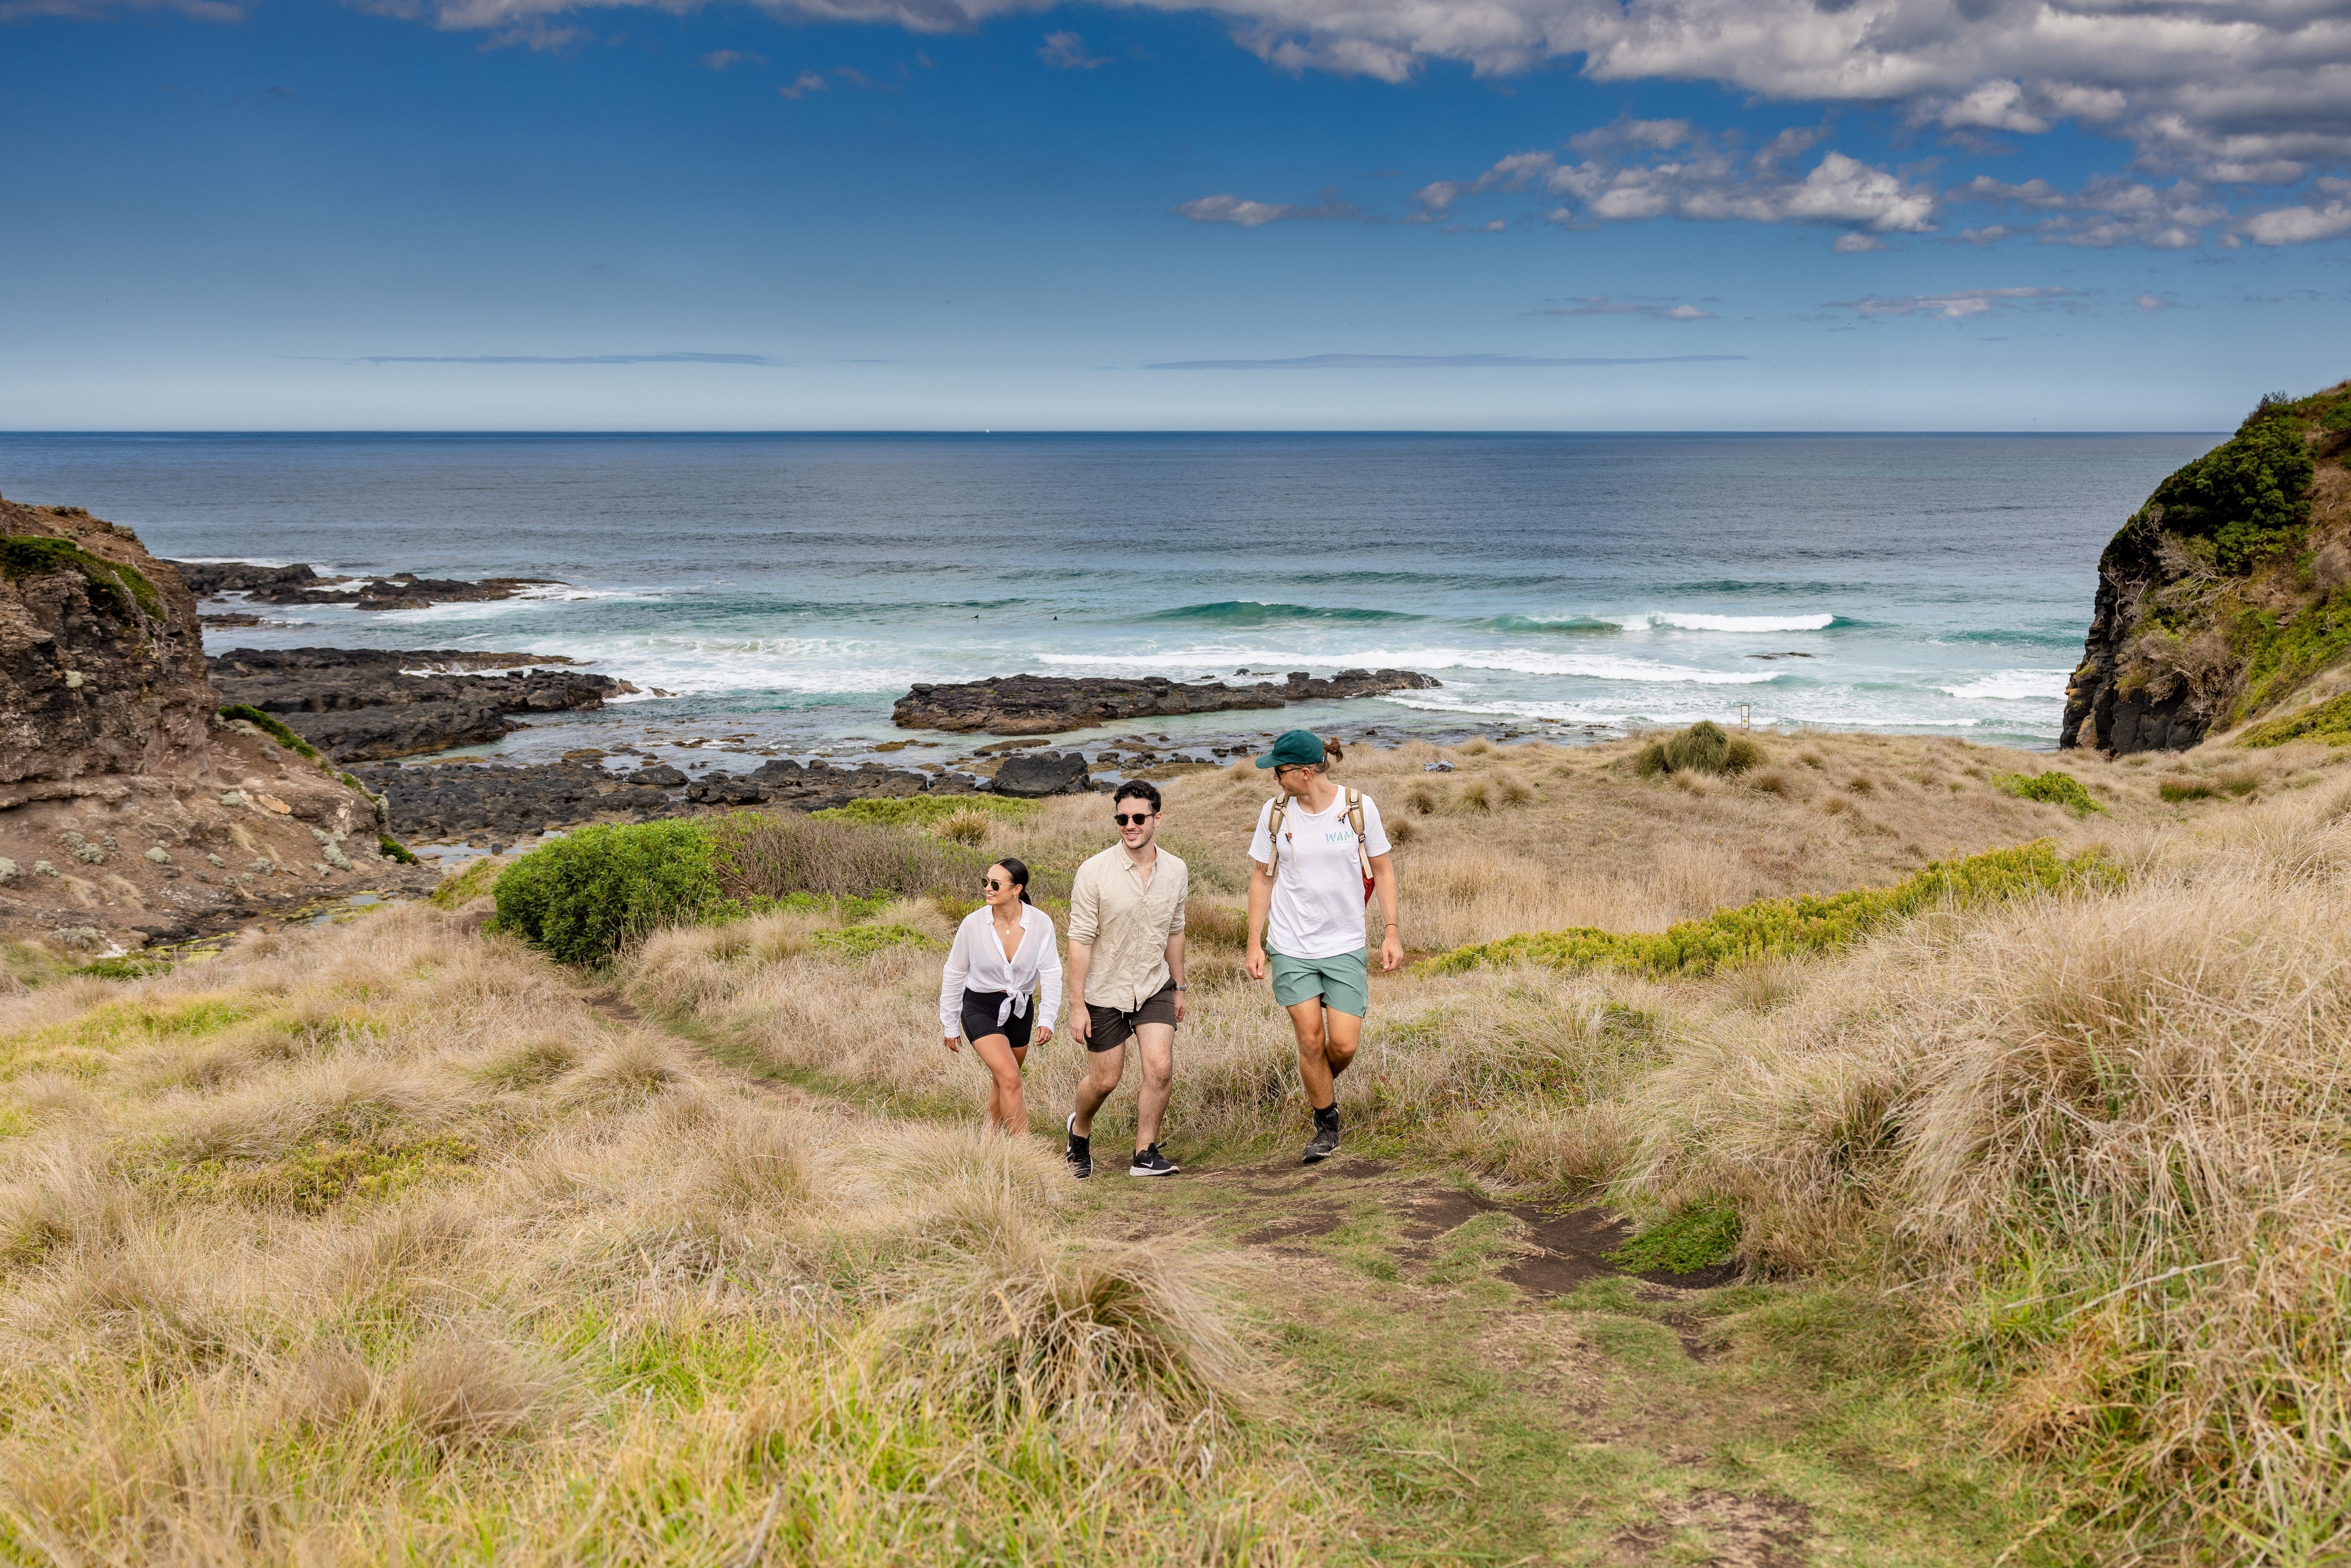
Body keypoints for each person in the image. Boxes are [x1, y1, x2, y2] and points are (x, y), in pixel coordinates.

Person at [1244, 730, 1401, 1164]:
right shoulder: (1274, 813)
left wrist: (1390, 930)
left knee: (1343, 1045)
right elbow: (1262, 877)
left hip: (1345, 943)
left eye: (1280, 771)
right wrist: (1253, 941)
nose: (1275, 778)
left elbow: (1384, 871)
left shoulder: (1357, 807)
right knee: (1310, 1040)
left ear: (1305, 772)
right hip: (1290, 944)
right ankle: (1325, 1124)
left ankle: (1318, 1084)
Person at [1064, 779, 1188, 1179]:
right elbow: (1080, 940)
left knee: (1160, 1067)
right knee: (1105, 1081)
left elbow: (1175, 930)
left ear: (1158, 818)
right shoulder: (1094, 872)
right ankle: (1079, 1131)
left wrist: (1180, 986)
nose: (1129, 825)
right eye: (1122, 818)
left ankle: (1144, 1153)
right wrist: (1077, 1005)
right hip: (1104, 991)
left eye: (1138, 818)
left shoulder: (1176, 870)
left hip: (1155, 985)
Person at [939, 857, 1061, 1135]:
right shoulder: (973, 924)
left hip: (1020, 1009)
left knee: (1004, 1079)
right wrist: (949, 1023)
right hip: (980, 1006)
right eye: (985, 882)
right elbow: (954, 973)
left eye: (995, 884)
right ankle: (1025, 1153)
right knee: (1010, 1077)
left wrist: (1047, 1018)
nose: (988, 889)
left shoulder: (1041, 923)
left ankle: (989, 1137)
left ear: (1016, 889)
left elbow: (1052, 972)